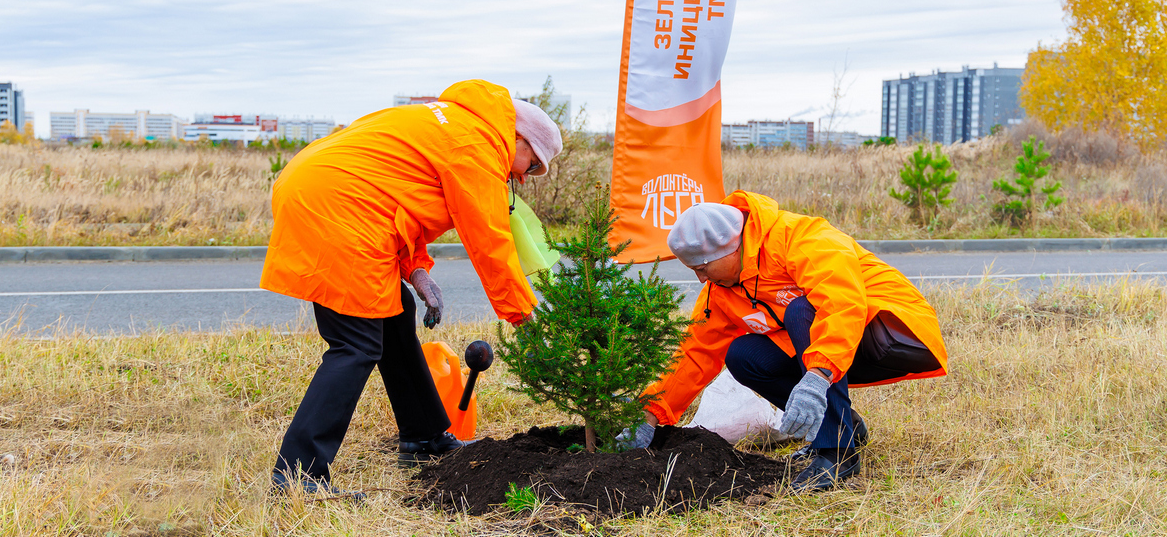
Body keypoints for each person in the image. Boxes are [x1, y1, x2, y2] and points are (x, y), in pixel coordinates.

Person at [260, 79, 561, 495]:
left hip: (327, 190)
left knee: (395, 313)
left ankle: (425, 438)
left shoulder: (457, 125)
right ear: (518, 137)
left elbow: (397, 195)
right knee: (357, 343)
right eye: (531, 166)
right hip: (338, 204)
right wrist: (524, 316)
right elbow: (490, 245)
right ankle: (297, 475)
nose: (525, 179)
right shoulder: (475, 148)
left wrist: (416, 269)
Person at [619, 191, 947, 491]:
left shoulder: (800, 238)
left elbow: (841, 304)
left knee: (802, 310)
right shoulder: (720, 290)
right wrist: (651, 414)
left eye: (702, 267)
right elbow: (695, 354)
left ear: (730, 247)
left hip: (894, 331)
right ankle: (845, 426)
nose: (701, 278)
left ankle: (836, 454)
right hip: (833, 345)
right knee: (743, 355)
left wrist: (817, 377)